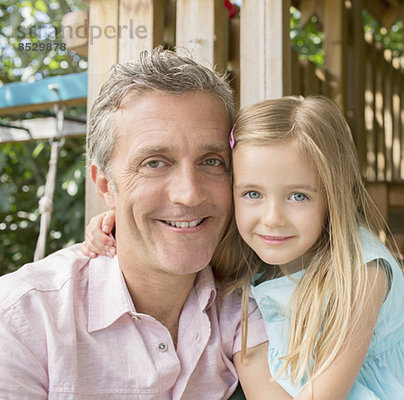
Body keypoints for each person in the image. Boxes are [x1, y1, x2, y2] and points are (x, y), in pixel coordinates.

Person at [85, 95, 404, 399]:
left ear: (332, 195)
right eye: (251, 194)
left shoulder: (361, 272)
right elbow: (254, 367)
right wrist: (113, 222)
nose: (272, 218)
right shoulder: (246, 265)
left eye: (298, 196)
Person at [0, 48, 268, 399]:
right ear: (105, 185)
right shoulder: (23, 320)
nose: (189, 194)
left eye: (211, 161)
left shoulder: (251, 300)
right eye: (155, 162)